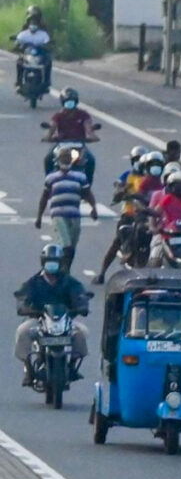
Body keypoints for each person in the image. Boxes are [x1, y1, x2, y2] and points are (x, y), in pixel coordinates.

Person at [13, 244, 87, 380]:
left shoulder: (69, 282)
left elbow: (80, 294)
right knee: (22, 331)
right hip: (39, 319)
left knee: (81, 333)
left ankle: (71, 367)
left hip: (64, 321)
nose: (52, 265)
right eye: (49, 262)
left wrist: (82, 305)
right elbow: (22, 297)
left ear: (61, 263)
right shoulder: (33, 282)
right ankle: (28, 369)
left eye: (55, 262)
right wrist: (25, 308)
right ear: (43, 263)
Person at [40, 150, 92, 255]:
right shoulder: (51, 178)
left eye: (67, 158)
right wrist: (39, 217)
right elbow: (44, 197)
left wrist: (93, 207)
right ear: (58, 160)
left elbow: (87, 193)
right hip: (58, 214)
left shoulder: (80, 177)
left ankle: (67, 267)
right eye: (63, 158)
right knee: (66, 245)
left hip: (74, 214)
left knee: (72, 246)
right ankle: (62, 267)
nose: (65, 160)